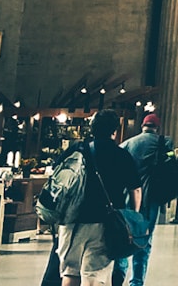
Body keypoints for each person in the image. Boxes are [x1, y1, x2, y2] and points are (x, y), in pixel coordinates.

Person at [58, 110, 144, 286]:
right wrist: (133, 216)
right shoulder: (121, 155)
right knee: (95, 273)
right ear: (114, 131)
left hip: (73, 219)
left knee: (70, 272)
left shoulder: (76, 149)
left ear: (92, 128)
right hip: (105, 222)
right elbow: (135, 189)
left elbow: (57, 178)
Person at [122, 113, 169, 284]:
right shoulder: (164, 143)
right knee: (144, 240)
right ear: (157, 128)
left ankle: (118, 277)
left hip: (126, 199)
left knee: (123, 237)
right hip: (151, 199)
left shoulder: (127, 144)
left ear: (142, 126)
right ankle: (137, 281)